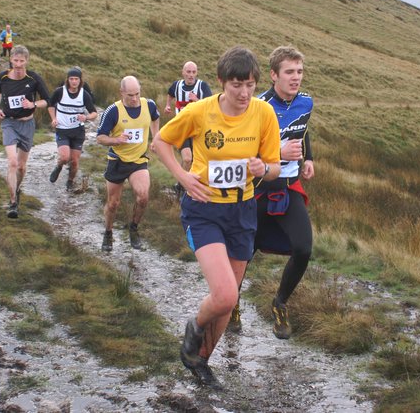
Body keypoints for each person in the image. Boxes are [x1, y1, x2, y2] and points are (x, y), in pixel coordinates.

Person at [152, 46, 281, 388]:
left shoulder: (264, 113)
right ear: (222, 82)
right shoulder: (200, 111)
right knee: (224, 295)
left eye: (250, 85)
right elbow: (160, 142)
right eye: (237, 85)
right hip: (204, 209)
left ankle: (200, 361)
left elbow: (274, 167)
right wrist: (183, 178)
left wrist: (263, 168)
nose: (244, 93)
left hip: (243, 210)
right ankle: (194, 327)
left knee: (228, 301)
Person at [229, 46, 315, 339]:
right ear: (274, 75)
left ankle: (280, 303)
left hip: (288, 187)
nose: (296, 77)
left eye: (299, 71)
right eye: (289, 72)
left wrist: (308, 158)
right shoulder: (256, 106)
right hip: (256, 189)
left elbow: (302, 130)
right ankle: (232, 303)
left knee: (303, 249)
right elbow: (241, 147)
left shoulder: (306, 102)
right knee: (243, 253)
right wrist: (278, 153)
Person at [96, 76, 160, 251]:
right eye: (130, 95)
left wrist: (155, 137)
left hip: (138, 160)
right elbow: (100, 138)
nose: (134, 99)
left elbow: (155, 118)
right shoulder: (113, 111)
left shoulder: (149, 105)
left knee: (143, 197)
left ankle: (133, 228)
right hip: (117, 160)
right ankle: (108, 232)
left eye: (137, 94)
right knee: (113, 203)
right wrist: (116, 140)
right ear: (121, 93)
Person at [0, 45, 50, 218]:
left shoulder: (34, 78)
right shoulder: (2, 77)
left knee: (22, 167)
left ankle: (16, 189)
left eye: (21, 61)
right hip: (9, 123)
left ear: (27, 61)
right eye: (15, 60)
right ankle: (12, 203)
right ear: (10, 60)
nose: (18, 64)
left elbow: (47, 100)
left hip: (27, 124)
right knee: (12, 162)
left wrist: (33, 104)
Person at [164, 61, 213, 196]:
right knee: (187, 159)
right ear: (183, 72)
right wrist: (168, 105)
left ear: (196, 73)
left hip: (198, 130)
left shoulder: (202, 86)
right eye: (188, 72)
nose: (191, 75)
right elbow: (170, 94)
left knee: (196, 161)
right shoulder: (177, 85)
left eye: (193, 72)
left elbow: (210, 106)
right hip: (182, 128)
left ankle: (186, 187)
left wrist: (196, 100)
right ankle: (182, 185)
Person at [47, 67, 98, 191]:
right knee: (65, 157)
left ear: (80, 81)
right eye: (71, 79)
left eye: (76, 79)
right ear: (67, 80)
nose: (74, 81)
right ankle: (59, 166)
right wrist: (53, 119)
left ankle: (70, 182)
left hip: (78, 131)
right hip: (62, 129)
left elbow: (94, 113)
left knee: (74, 161)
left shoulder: (84, 94)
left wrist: (86, 117)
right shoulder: (60, 92)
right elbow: (50, 105)